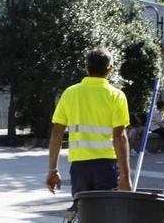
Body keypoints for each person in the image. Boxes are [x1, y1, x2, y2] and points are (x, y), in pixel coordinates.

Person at [47, 47, 132, 197]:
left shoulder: (70, 93)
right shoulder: (117, 96)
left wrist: (53, 170)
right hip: (107, 167)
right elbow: (120, 137)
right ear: (110, 69)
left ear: (87, 67)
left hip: (80, 167)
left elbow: (57, 132)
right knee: (106, 213)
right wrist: (125, 177)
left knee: (84, 212)